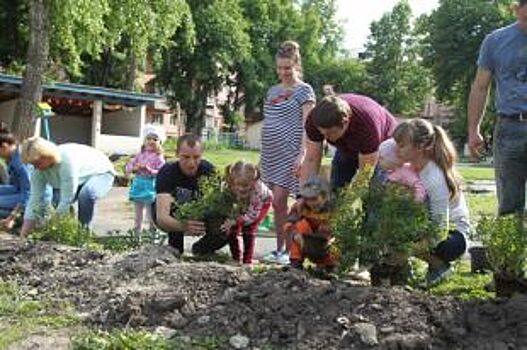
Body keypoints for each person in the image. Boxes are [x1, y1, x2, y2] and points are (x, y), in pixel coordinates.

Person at [393, 118, 470, 286]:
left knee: (401, 239)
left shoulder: (434, 177)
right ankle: (403, 269)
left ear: (420, 147)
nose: (396, 149)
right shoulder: (410, 169)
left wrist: (408, 250)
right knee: (393, 228)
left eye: (401, 145)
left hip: (453, 237)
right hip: (429, 227)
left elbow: (440, 230)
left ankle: (440, 266)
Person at [467, 0, 527, 216]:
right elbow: (480, 87)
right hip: (510, 128)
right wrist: (473, 130)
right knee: (510, 207)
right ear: (516, 8)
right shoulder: (495, 41)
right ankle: (511, 250)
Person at [260, 40, 316, 264]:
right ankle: (279, 249)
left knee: (282, 199)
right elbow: (269, 120)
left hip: (290, 153)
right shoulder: (272, 90)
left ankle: (292, 250)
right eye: (280, 68)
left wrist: (302, 154)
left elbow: (308, 125)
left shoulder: (305, 91)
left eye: (288, 68)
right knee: (276, 202)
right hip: (270, 153)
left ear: (296, 66)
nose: (283, 72)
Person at [19, 137, 116, 237]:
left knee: (86, 195)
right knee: (56, 200)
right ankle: (69, 231)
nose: (35, 167)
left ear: (46, 155)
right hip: (78, 178)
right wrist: (24, 234)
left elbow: (67, 198)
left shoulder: (66, 160)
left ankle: (83, 234)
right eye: (32, 164)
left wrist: (51, 226)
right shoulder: (38, 171)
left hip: (101, 172)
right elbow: (35, 199)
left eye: (37, 163)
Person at [301, 94, 397, 192]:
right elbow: (311, 160)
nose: (325, 137)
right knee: (336, 188)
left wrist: (349, 202)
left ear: (345, 122)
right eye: (322, 133)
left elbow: (365, 174)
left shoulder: (367, 127)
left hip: (383, 147)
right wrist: (304, 195)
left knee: (374, 192)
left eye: (331, 133)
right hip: (348, 147)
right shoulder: (314, 120)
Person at [155, 133, 228, 255]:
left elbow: (222, 205)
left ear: (202, 155)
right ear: (177, 154)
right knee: (173, 210)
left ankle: (201, 249)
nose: (191, 163)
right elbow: (162, 218)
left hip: (201, 214)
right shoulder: (167, 172)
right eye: (186, 157)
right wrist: (184, 226)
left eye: (196, 157)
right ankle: (175, 250)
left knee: (225, 229)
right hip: (177, 214)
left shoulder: (209, 171)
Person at [222, 161, 273, 265]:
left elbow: (252, 216)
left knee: (249, 229)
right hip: (241, 201)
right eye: (238, 184)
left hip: (262, 203)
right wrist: (231, 219)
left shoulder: (258, 191)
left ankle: (247, 261)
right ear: (232, 181)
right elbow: (227, 204)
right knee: (232, 230)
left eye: (245, 185)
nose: (241, 188)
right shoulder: (227, 185)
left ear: (253, 182)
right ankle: (236, 258)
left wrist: (236, 220)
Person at [286, 176, 337, 271]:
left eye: (314, 198)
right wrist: (294, 233)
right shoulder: (300, 206)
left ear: (325, 196)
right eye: (307, 198)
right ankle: (296, 262)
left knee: (334, 246)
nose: (310, 202)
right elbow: (290, 222)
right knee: (301, 226)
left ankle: (329, 265)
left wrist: (332, 237)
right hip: (304, 239)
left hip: (325, 240)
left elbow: (341, 228)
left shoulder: (333, 208)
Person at [126, 126, 165, 232]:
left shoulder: (159, 157)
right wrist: (134, 168)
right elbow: (129, 167)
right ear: (144, 141)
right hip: (138, 184)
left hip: (150, 186)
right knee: (137, 214)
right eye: (149, 138)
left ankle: (153, 235)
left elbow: (161, 172)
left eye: (155, 139)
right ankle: (136, 234)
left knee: (150, 213)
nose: (151, 141)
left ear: (160, 142)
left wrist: (149, 169)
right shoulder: (140, 155)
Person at [0, 123, 31, 229]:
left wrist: (13, 216)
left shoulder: (20, 163)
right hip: (18, 191)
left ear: (4, 147)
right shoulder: (12, 157)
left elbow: (28, 193)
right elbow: (15, 187)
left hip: (31, 198)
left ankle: (20, 219)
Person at [378, 138, 427, 202]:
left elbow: (418, 184)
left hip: (406, 204)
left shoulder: (405, 172)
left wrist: (417, 200)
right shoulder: (390, 171)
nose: (378, 161)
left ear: (393, 160)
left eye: (381, 158)